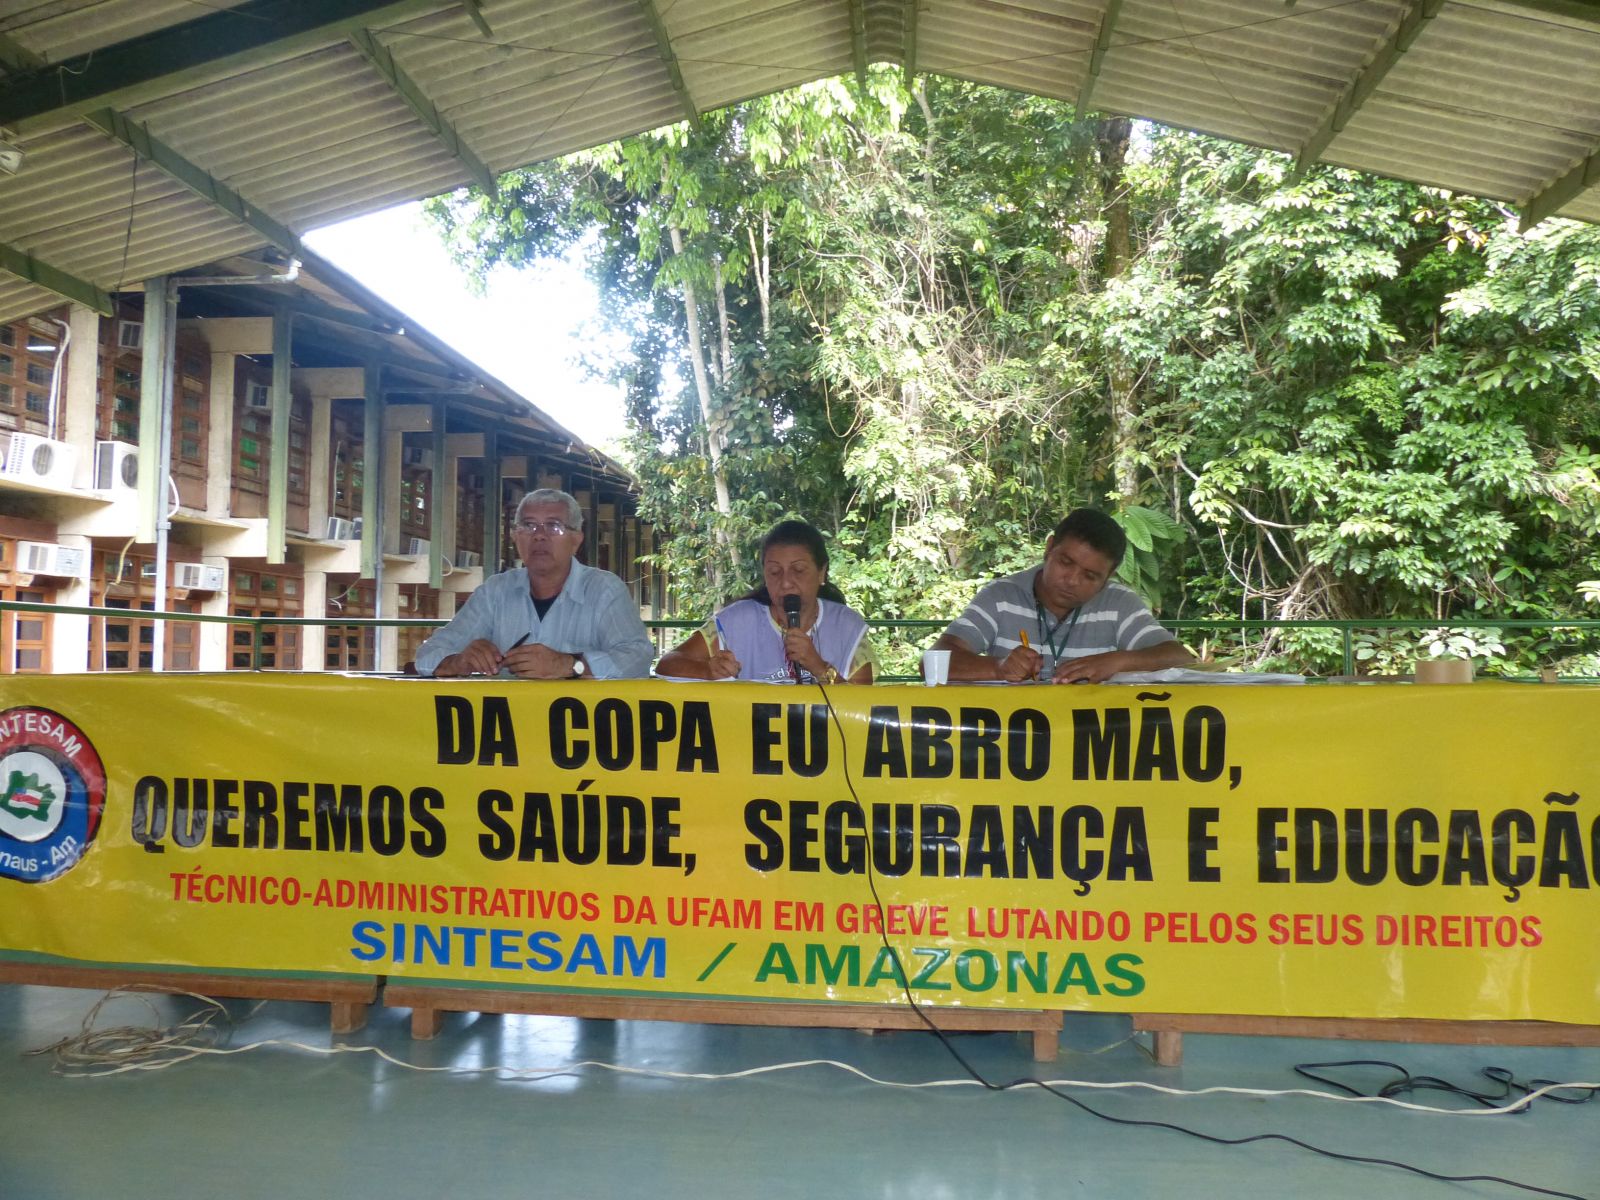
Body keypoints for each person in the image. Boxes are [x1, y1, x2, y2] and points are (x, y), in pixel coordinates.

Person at [932, 508, 1193, 684]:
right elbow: (933, 661)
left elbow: (1180, 658)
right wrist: (998, 668)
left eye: (1090, 576)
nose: (1072, 580)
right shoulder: (1001, 596)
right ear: (1049, 548)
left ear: (1109, 576)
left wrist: (1116, 662)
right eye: (1066, 562)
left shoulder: (1119, 604)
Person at [414, 488, 654, 679]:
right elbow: (427, 655)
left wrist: (572, 665)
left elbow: (638, 658)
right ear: (516, 537)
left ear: (576, 540)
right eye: (528, 526)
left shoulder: (603, 589)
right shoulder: (495, 591)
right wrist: (459, 661)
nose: (539, 535)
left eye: (554, 526)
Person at [656, 519, 874, 684]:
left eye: (798, 570)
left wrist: (819, 668)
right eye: (775, 572)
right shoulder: (736, 621)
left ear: (821, 572)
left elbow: (863, 710)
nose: (786, 583)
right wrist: (707, 671)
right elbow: (667, 664)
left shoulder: (848, 627)